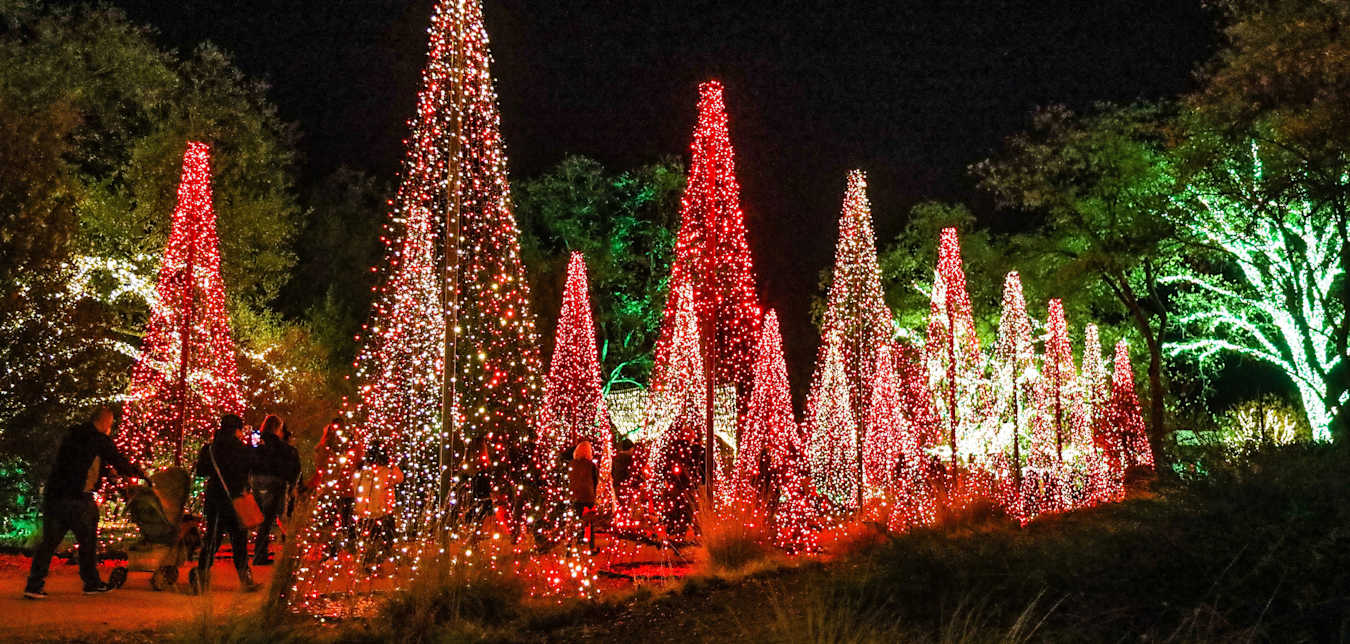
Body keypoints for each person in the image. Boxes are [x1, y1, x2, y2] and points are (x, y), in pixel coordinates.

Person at [24, 407, 149, 599]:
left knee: (49, 542)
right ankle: (91, 582)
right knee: (88, 540)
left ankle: (33, 585)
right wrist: (141, 474)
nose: (111, 427)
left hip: (56, 494)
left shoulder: (74, 435)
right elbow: (118, 461)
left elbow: (80, 462)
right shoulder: (99, 439)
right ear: (105, 421)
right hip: (78, 497)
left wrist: (105, 473)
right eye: (111, 423)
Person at [193, 414, 259, 593]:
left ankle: (202, 576)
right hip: (236, 500)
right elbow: (253, 467)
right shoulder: (243, 449)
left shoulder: (210, 449)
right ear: (237, 430)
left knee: (212, 540)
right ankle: (245, 579)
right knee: (240, 541)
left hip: (215, 500)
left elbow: (201, 471)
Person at [251, 415, 300, 565]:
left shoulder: (256, 442)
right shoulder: (283, 447)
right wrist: (292, 483)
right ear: (278, 428)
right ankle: (264, 554)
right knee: (270, 519)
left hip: (256, 481)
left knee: (261, 520)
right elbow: (292, 466)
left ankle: (260, 552)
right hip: (274, 482)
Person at [310, 417, 362, 546]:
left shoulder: (327, 447)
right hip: (344, 489)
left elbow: (319, 466)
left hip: (332, 490)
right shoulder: (352, 446)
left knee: (331, 524)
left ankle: (332, 550)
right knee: (345, 523)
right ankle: (345, 549)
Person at [351, 441, 403, 562]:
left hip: (362, 512)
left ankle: (366, 563)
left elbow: (355, 487)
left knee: (366, 541)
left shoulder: (360, 472)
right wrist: (392, 464)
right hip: (381, 512)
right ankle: (378, 563)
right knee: (384, 541)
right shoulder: (387, 472)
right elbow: (400, 477)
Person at [568, 441, 599, 551]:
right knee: (589, 521)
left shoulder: (571, 464)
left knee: (574, 520)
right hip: (588, 496)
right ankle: (591, 546)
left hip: (574, 496)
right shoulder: (591, 465)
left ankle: (570, 547)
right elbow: (596, 480)